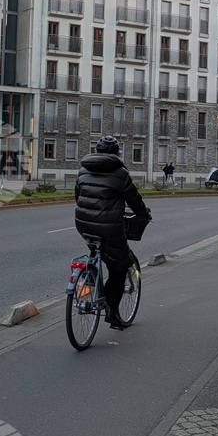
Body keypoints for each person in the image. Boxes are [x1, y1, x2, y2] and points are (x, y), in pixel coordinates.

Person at [75, 136, 151, 331]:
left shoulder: (83, 170)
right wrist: (143, 214)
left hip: (84, 224)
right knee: (121, 266)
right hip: (110, 227)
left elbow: (78, 196)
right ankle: (112, 312)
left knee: (97, 249)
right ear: (117, 153)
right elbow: (134, 200)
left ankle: (89, 278)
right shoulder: (120, 174)